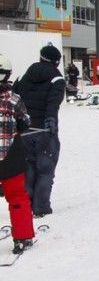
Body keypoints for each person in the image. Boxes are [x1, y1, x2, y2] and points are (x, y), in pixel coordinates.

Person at [12, 45, 65, 218]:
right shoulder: (57, 79)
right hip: (44, 130)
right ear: (56, 61)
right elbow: (53, 102)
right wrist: (50, 120)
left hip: (25, 130)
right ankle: (41, 207)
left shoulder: (24, 76)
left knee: (28, 168)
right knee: (45, 169)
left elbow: (15, 98)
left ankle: (26, 205)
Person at [0, 55, 35, 253]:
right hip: (10, 158)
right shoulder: (14, 99)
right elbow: (24, 123)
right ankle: (22, 237)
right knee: (17, 197)